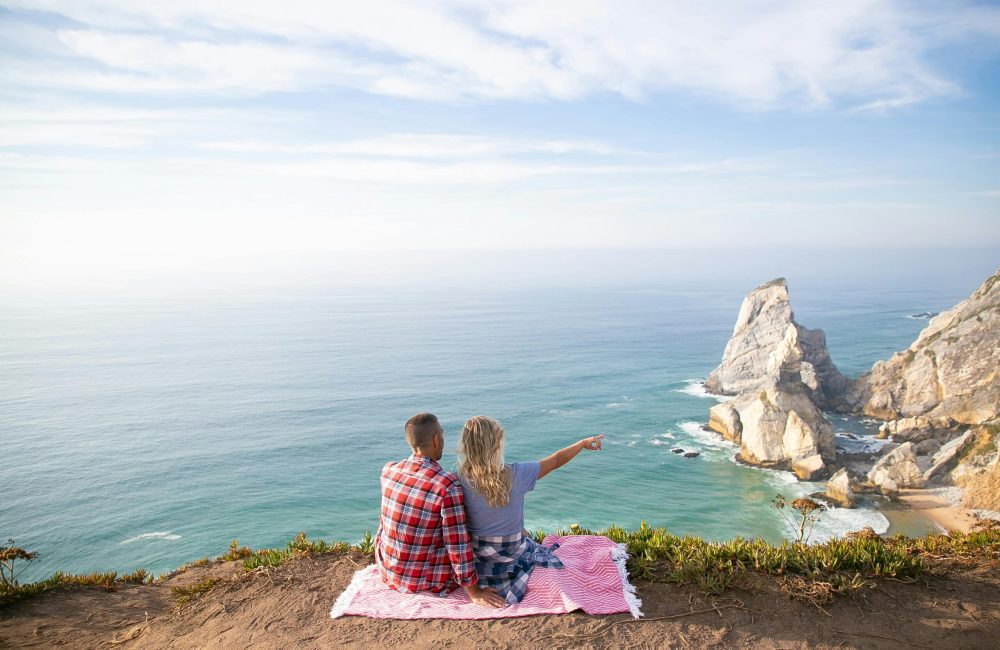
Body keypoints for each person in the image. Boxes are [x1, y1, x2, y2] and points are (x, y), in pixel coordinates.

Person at [456, 415, 604, 604]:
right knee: (536, 546)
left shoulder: (457, 480)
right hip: (512, 555)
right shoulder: (517, 474)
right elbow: (556, 460)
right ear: (496, 445)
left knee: (522, 533)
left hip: (480, 562)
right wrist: (583, 443)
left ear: (466, 446)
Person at [374, 412, 505, 608]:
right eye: (442, 435)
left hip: (389, 571)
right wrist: (474, 592)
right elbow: (457, 543)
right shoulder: (446, 484)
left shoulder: (389, 470)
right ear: (436, 440)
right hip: (423, 580)